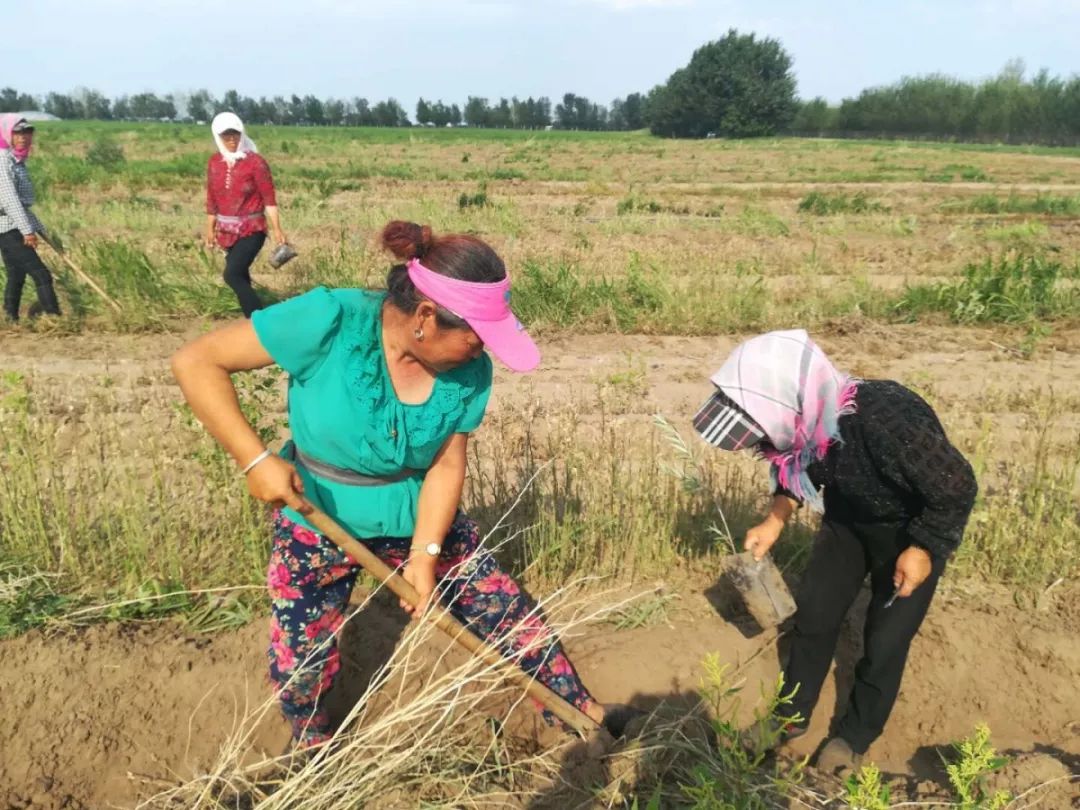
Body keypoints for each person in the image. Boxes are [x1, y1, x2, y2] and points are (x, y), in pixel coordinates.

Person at [172, 220, 633, 748]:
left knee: (502, 608)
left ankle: (578, 711)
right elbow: (196, 361)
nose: (482, 353)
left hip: (416, 511)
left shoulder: (468, 370)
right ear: (426, 318)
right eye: (476, 338)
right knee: (301, 654)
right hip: (317, 513)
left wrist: (425, 556)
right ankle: (313, 744)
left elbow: (444, 465)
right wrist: (256, 462)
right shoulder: (331, 319)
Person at [693, 330, 977, 776]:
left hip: (910, 530)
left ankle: (854, 736)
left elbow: (957, 486)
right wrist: (775, 520)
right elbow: (795, 465)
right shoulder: (807, 421)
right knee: (814, 619)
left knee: (885, 640)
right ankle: (788, 719)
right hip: (847, 523)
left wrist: (923, 549)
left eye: (759, 425)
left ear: (786, 400)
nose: (757, 440)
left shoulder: (883, 421)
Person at [204, 111, 287, 318]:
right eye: (226, 136)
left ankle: (260, 320)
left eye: (235, 135)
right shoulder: (215, 163)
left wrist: (277, 230)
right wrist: (209, 229)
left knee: (231, 274)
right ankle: (251, 322)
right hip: (226, 231)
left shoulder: (255, 163)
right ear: (218, 137)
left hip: (252, 229)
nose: (232, 140)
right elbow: (212, 199)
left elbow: (269, 199)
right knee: (241, 275)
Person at [0, 114, 60, 322]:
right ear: (7, 133)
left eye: (26, 132)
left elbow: (23, 204)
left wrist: (37, 228)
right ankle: (54, 318)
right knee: (42, 274)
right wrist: (27, 231)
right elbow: (10, 201)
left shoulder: (16, 161)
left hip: (14, 223)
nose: (23, 137)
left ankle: (10, 318)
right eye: (17, 133)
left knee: (17, 275)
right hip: (7, 227)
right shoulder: (2, 162)